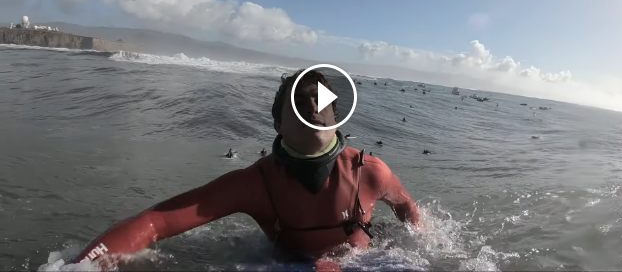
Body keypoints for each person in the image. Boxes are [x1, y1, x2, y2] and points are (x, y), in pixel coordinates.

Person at [72, 69, 420, 270]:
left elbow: (407, 209)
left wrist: (418, 241)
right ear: (278, 123)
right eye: (299, 102)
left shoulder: (369, 172)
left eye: (323, 100)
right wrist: (79, 267)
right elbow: (157, 222)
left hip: (366, 263)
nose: (313, 106)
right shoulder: (256, 183)